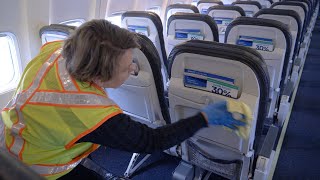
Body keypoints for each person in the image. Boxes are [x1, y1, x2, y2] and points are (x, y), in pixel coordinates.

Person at [0, 19, 246, 180]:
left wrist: (122, 66)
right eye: (127, 68)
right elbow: (152, 140)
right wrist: (203, 118)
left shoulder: (55, 51)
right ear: (98, 75)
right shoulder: (90, 111)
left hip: (11, 138)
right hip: (36, 168)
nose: (134, 71)